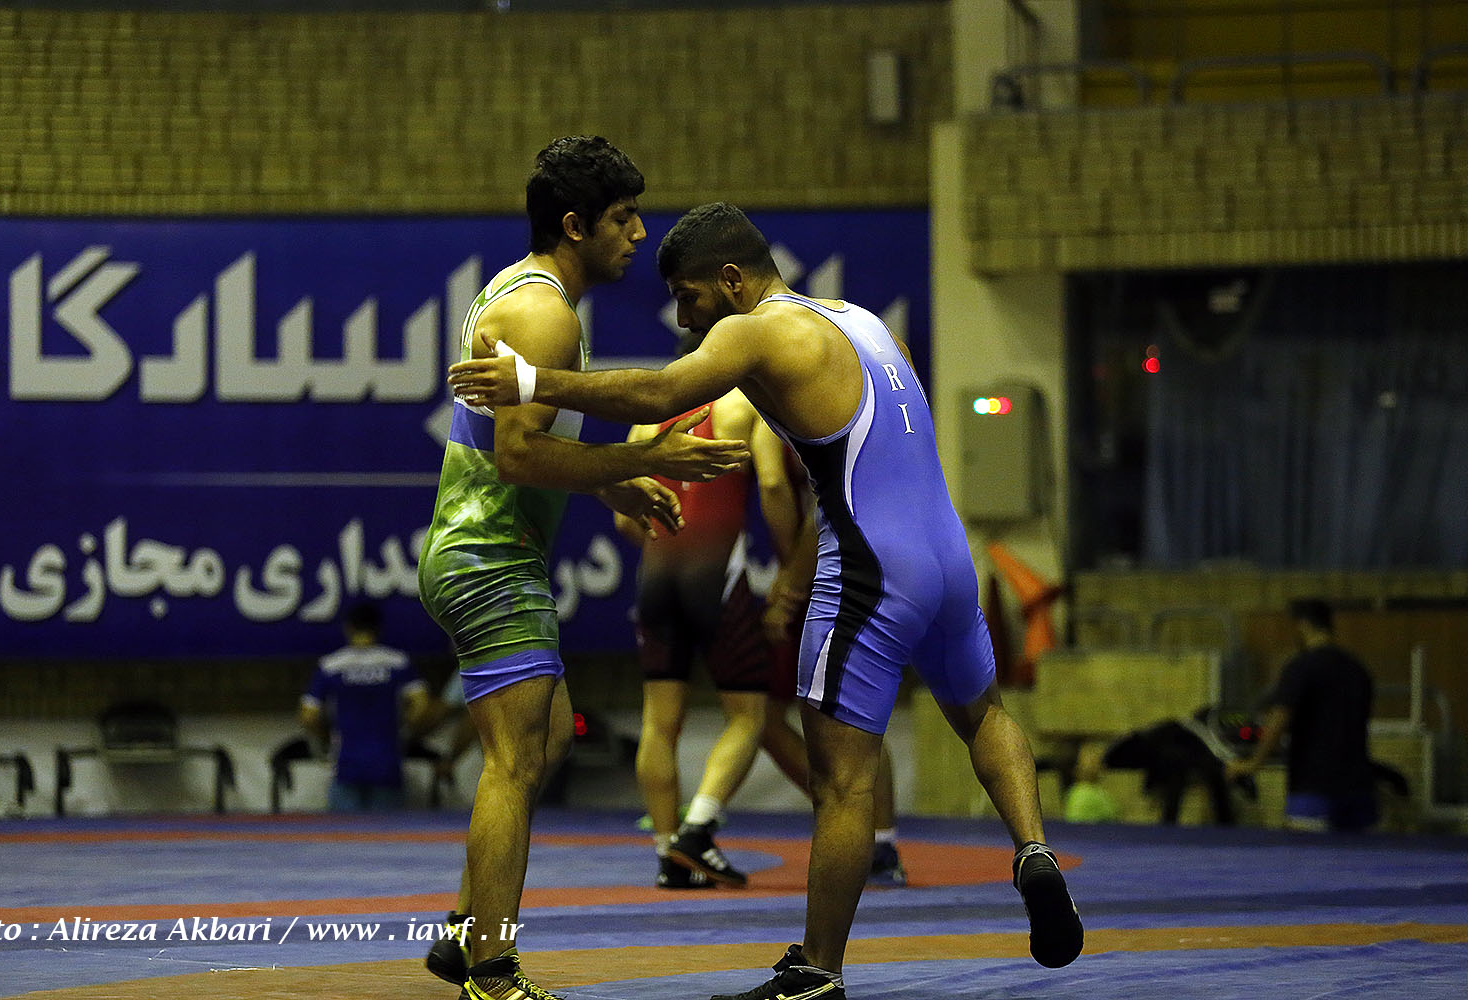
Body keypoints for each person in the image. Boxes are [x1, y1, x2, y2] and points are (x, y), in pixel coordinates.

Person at [449, 201, 1084, 997]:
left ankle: (817, 971)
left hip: (870, 569)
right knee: (983, 712)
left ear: (731, 278)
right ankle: (1033, 851)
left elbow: (659, 393)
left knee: (841, 782)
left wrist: (529, 380)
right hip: (949, 558)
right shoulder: (865, 322)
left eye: (688, 298)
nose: (684, 319)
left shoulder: (756, 331)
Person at [415, 141, 751, 1000]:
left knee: (549, 736)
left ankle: (463, 935)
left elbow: (523, 443)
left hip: (483, 550)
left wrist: (614, 484)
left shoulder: (524, 291)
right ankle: (492, 970)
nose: (639, 234)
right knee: (514, 763)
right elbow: (520, 458)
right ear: (575, 226)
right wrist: (645, 460)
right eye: (623, 219)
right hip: (490, 558)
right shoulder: (546, 316)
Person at [615, 386, 799, 889]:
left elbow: (622, 516)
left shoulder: (648, 417)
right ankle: (698, 827)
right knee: (749, 716)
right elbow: (774, 485)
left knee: (659, 722)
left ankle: (667, 855)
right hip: (714, 575)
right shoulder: (745, 405)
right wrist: (789, 564)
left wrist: (665, 541)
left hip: (656, 576)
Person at [759, 503, 909, 885]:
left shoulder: (815, 466)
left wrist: (788, 588)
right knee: (858, 718)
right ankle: (872, 833)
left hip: (833, 582)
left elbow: (814, 506)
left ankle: (859, 825)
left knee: (835, 721)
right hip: (878, 572)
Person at [1226, 598, 1378, 832]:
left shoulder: (1301, 667)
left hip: (1313, 785)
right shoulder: (1357, 669)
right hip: (1359, 788)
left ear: (1303, 625)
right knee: (1360, 855)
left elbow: (1279, 720)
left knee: (1306, 854)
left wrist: (1253, 763)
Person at [299, 601, 428, 812]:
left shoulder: (331, 665)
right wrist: (406, 732)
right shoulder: (398, 662)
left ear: (348, 627)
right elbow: (421, 705)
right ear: (378, 628)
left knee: (344, 831)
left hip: (345, 763)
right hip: (387, 761)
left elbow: (308, 715)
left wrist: (325, 738)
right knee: (388, 831)